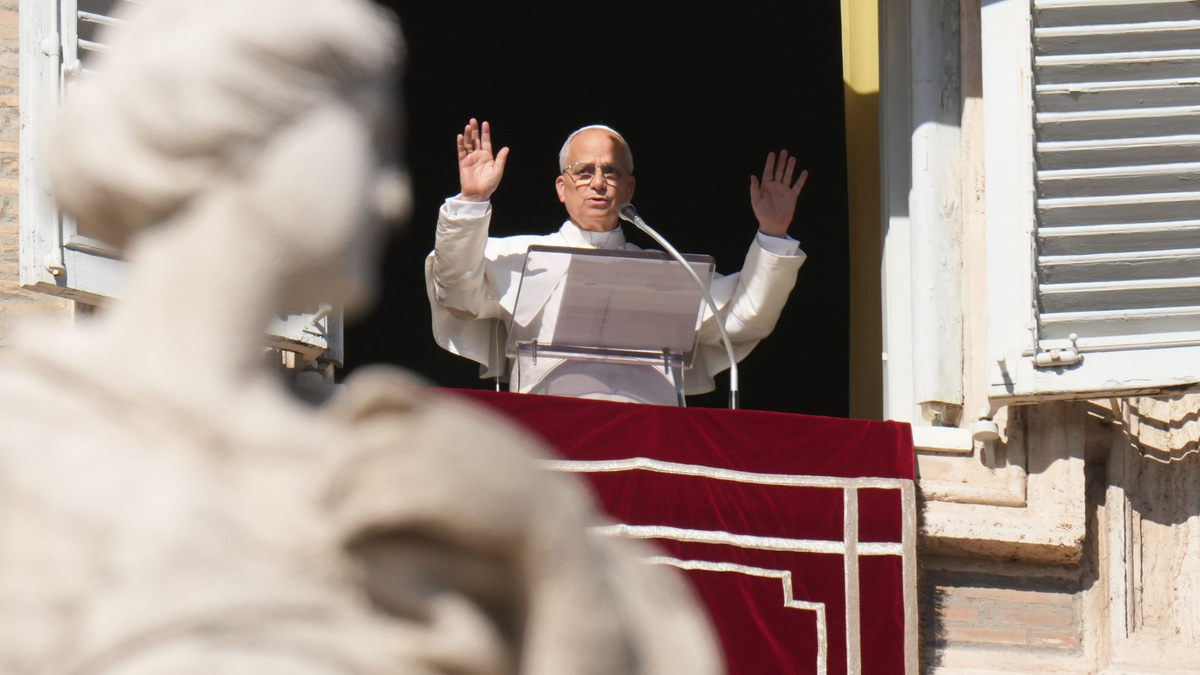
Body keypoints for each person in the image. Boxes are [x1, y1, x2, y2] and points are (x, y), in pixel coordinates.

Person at [0, 2, 722, 673]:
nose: (391, 195)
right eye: (368, 143)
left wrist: (546, 542)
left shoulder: (403, 452)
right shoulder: (27, 430)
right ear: (243, 137)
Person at [425, 119, 809, 402]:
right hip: (556, 434)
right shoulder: (519, 255)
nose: (597, 183)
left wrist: (772, 234)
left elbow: (741, 320)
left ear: (629, 188)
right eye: (583, 172)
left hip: (651, 439)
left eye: (611, 171)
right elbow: (457, 292)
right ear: (561, 187)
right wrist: (472, 202)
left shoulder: (668, 269)